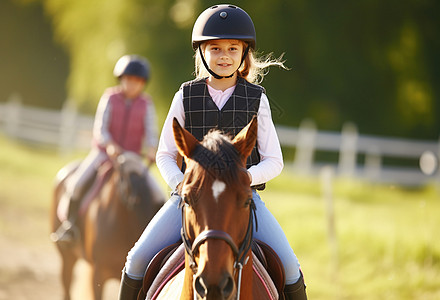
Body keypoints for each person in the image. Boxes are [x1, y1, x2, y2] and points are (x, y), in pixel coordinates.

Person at [118, 4, 307, 300]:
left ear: (244, 53)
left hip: (243, 202)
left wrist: (243, 178)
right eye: (216, 48)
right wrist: (181, 185)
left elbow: (275, 161)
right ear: (202, 53)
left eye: (233, 48)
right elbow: (165, 153)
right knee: (137, 260)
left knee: (291, 269)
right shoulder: (185, 94)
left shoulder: (257, 99)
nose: (224, 55)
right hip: (190, 200)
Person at [51, 54, 161, 245]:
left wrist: (152, 147)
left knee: (159, 195)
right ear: (121, 79)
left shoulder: (146, 104)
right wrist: (109, 145)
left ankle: (156, 238)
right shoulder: (110, 97)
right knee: (76, 184)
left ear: (143, 83)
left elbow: (151, 131)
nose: (132, 85)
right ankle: (69, 226)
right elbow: (100, 128)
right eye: (128, 80)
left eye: (137, 81)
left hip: (131, 158)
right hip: (103, 154)